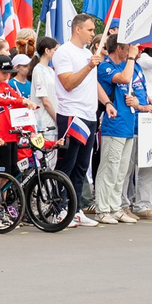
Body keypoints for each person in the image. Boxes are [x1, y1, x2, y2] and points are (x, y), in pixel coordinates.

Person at [47, 15, 105, 226]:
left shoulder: (88, 53)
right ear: (78, 29)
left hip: (90, 115)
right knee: (67, 164)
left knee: (81, 166)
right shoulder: (64, 52)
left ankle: (75, 208)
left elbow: (93, 83)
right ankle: (59, 209)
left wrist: (107, 103)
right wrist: (89, 66)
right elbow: (68, 83)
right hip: (72, 115)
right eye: (90, 30)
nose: (93, 33)